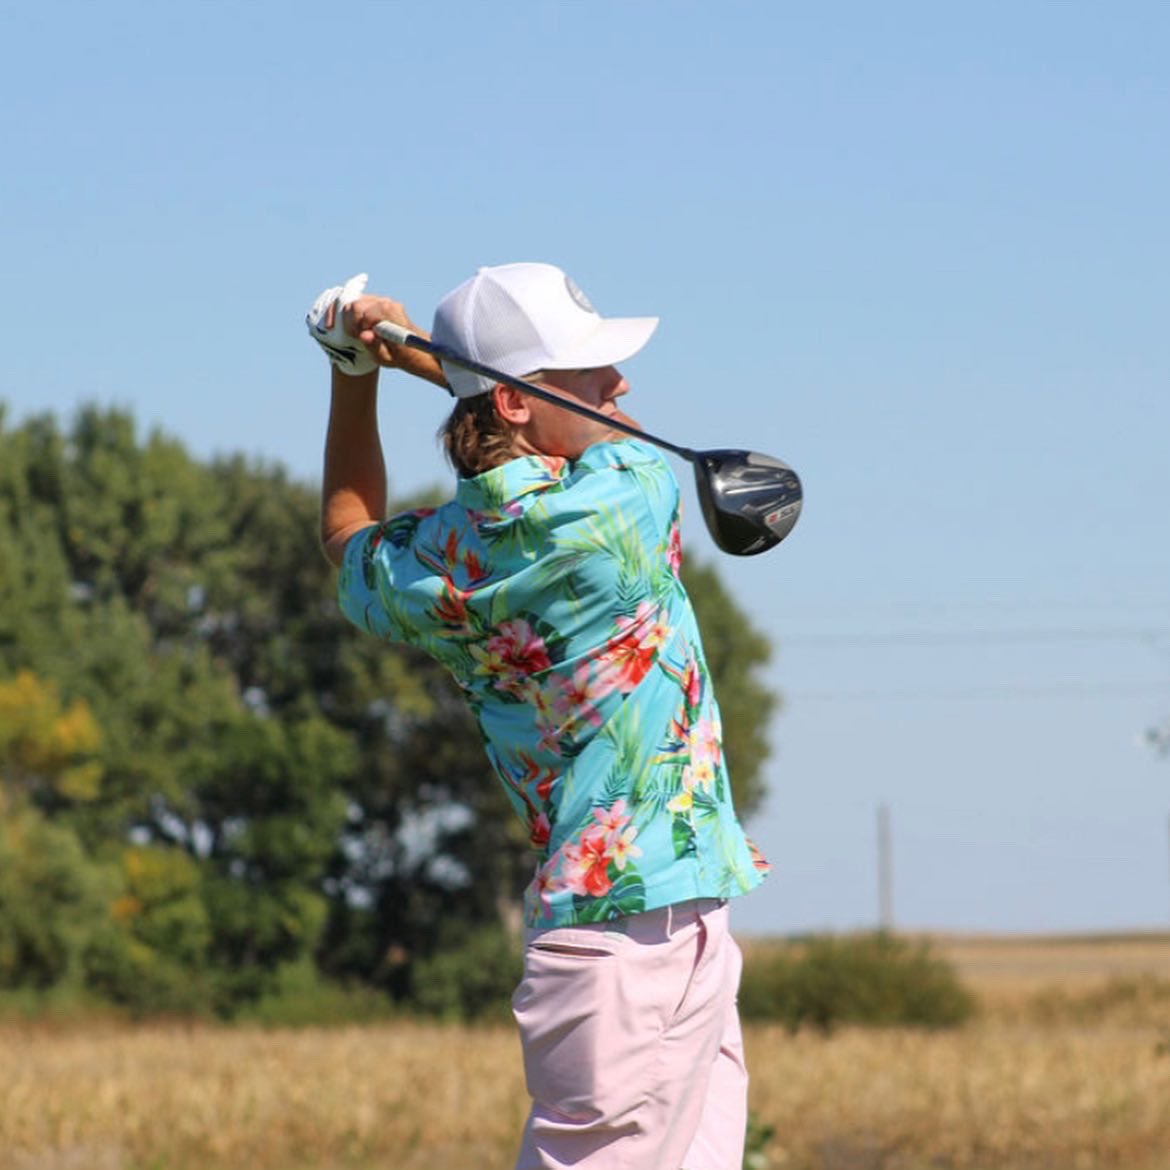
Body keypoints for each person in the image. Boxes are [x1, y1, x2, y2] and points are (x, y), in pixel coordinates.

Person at [307, 263, 770, 1170]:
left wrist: (353, 371)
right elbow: (611, 434)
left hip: (649, 929)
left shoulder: (434, 560)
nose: (619, 384)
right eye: (590, 371)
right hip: (628, 949)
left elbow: (343, 535)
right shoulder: (625, 497)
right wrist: (416, 357)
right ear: (516, 402)